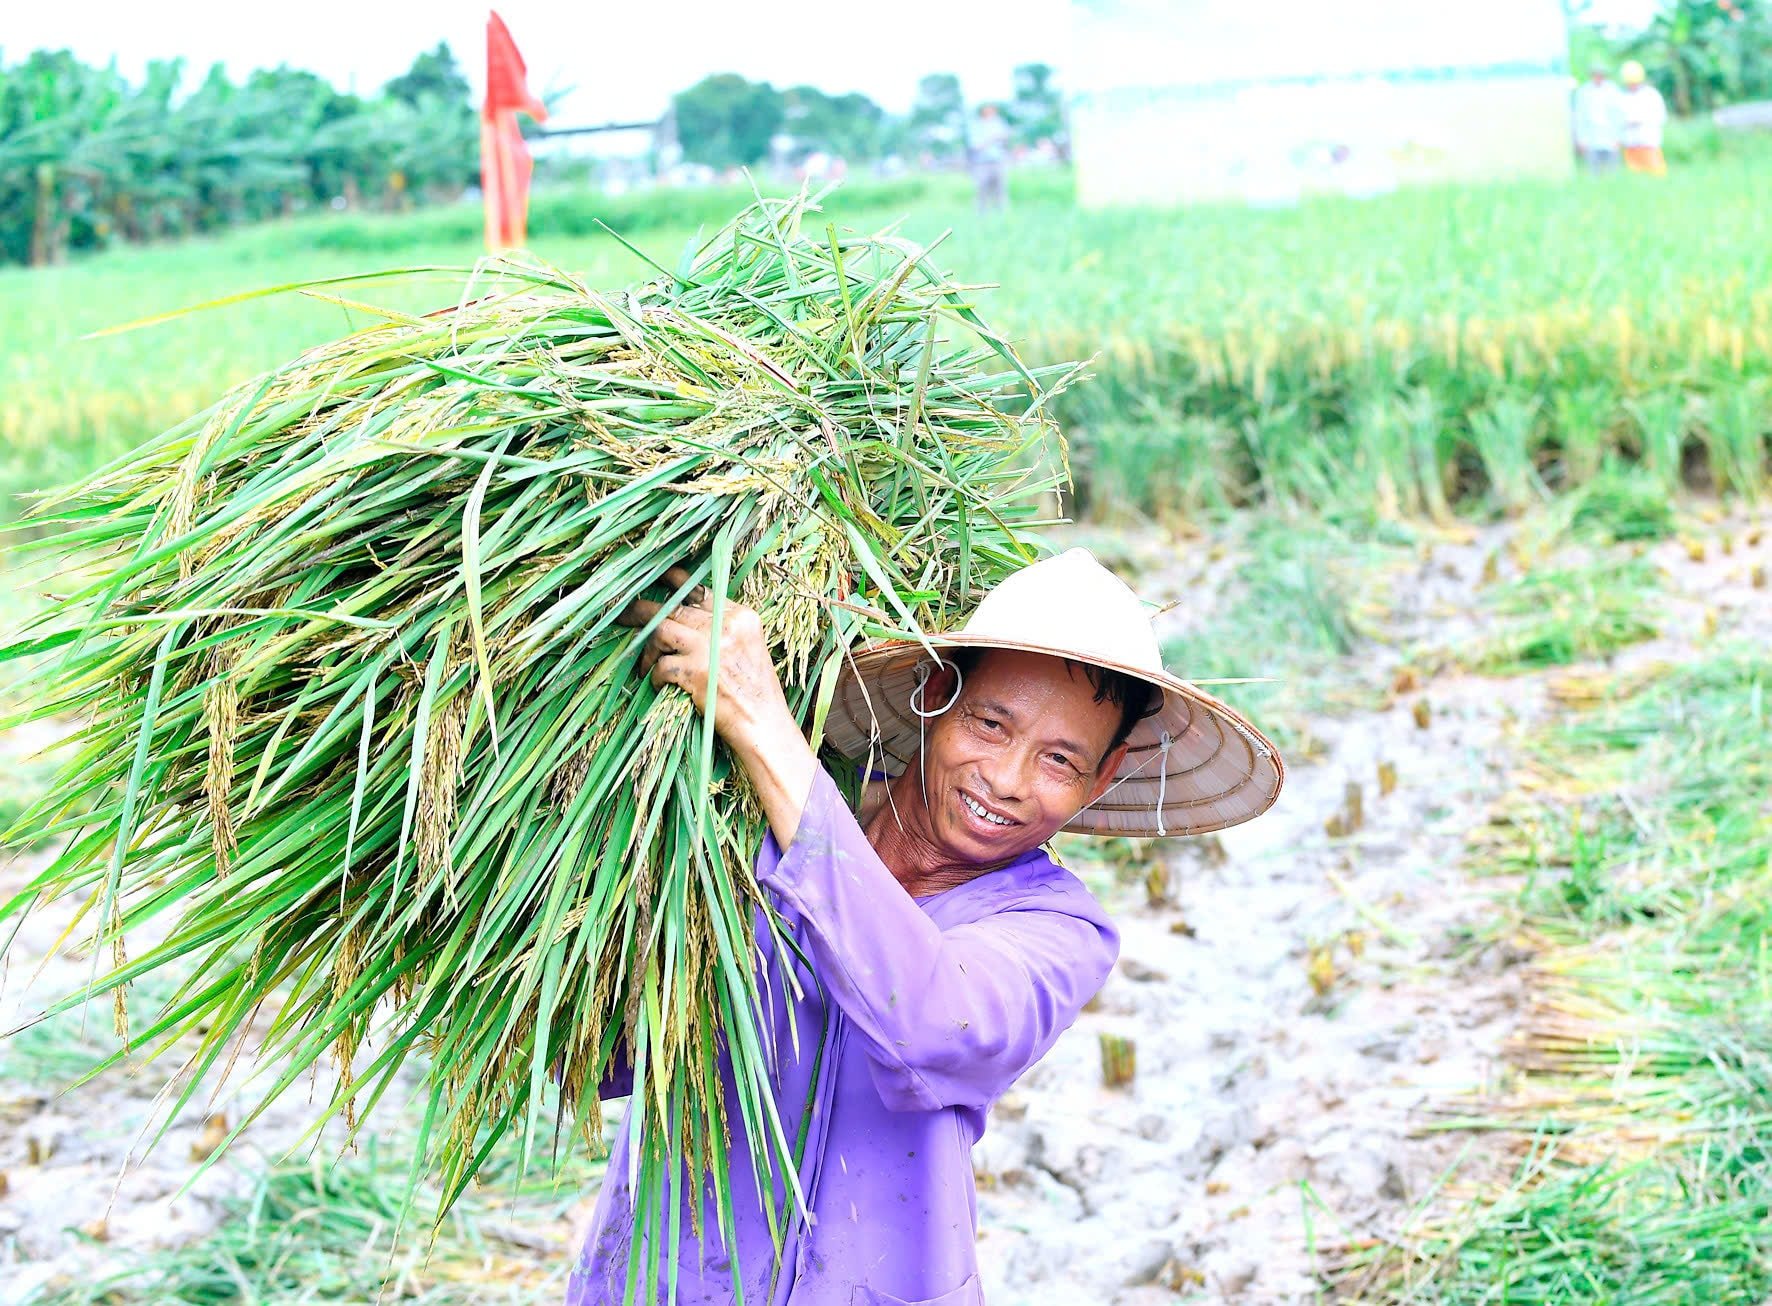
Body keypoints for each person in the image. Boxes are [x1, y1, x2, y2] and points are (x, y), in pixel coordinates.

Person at [569, 548, 1284, 1305]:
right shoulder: (742, 823)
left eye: (1060, 761)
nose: (1006, 781)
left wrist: (759, 721)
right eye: (990, 723)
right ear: (938, 694)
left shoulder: (1058, 930)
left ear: (1102, 778)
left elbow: (936, 1022)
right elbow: (599, 1047)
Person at [1618, 60, 1669, 175]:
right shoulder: (1623, 97)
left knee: (1656, 172)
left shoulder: (1651, 95)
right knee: (1635, 175)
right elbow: (1619, 119)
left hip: (1648, 141)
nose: (1632, 86)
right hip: (1631, 143)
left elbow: (1661, 116)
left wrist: (1641, 121)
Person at [1571, 67, 1625, 173]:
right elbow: (1579, 116)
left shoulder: (1613, 91)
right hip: (1591, 136)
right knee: (1593, 169)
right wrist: (1581, 139)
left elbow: (1619, 114)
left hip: (1611, 135)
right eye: (1595, 75)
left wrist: (1619, 136)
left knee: (1612, 169)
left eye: (1600, 75)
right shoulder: (1584, 92)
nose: (1598, 78)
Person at [970, 103, 1013, 214]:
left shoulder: (999, 123)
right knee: (982, 189)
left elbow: (1006, 138)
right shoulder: (976, 125)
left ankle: (1003, 213)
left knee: (1001, 189)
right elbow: (975, 145)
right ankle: (981, 214)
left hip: (998, 161)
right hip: (982, 162)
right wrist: (991, 139)